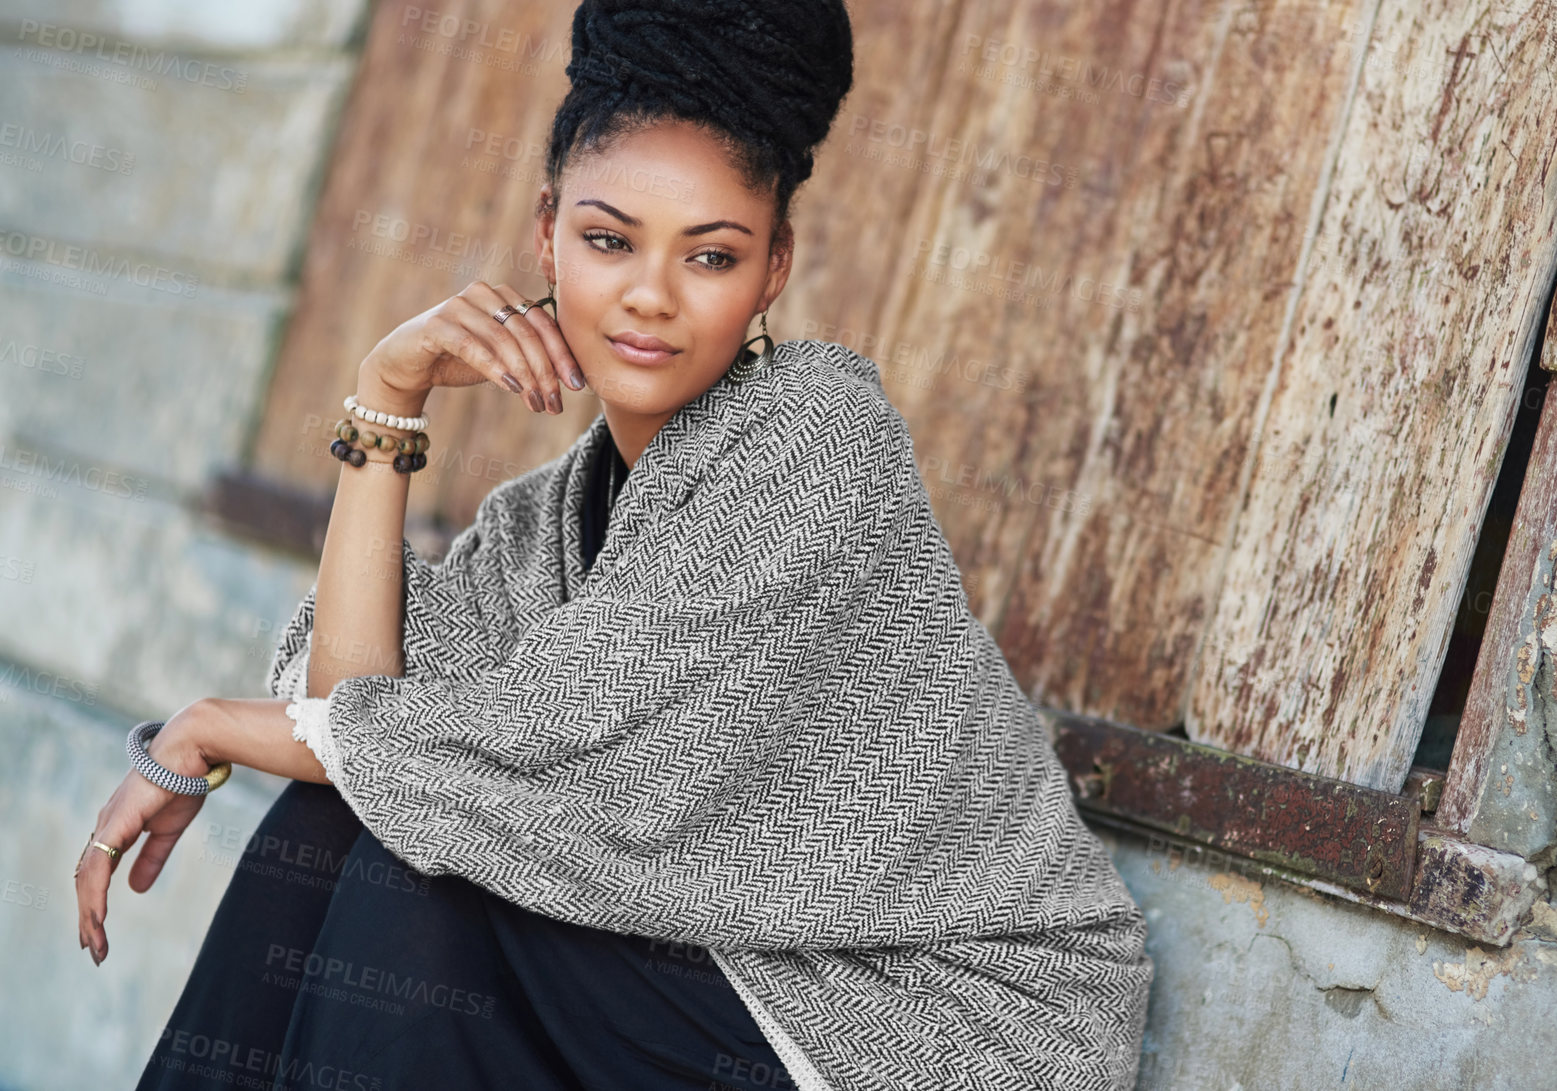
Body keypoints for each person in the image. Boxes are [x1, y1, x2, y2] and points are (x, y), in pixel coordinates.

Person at [75, 2, 1155, 1088]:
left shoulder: (819, 438)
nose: (650, 295)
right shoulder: (546, 518)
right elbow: (359, 713)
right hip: (709, 963)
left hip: (914, 1007)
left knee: (426, 879)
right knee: (352, 815)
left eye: (712, 256)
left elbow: (496, 757)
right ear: (545, 229)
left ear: (772, 268)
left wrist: (211, 724)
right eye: (608, 239)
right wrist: (385, 395)